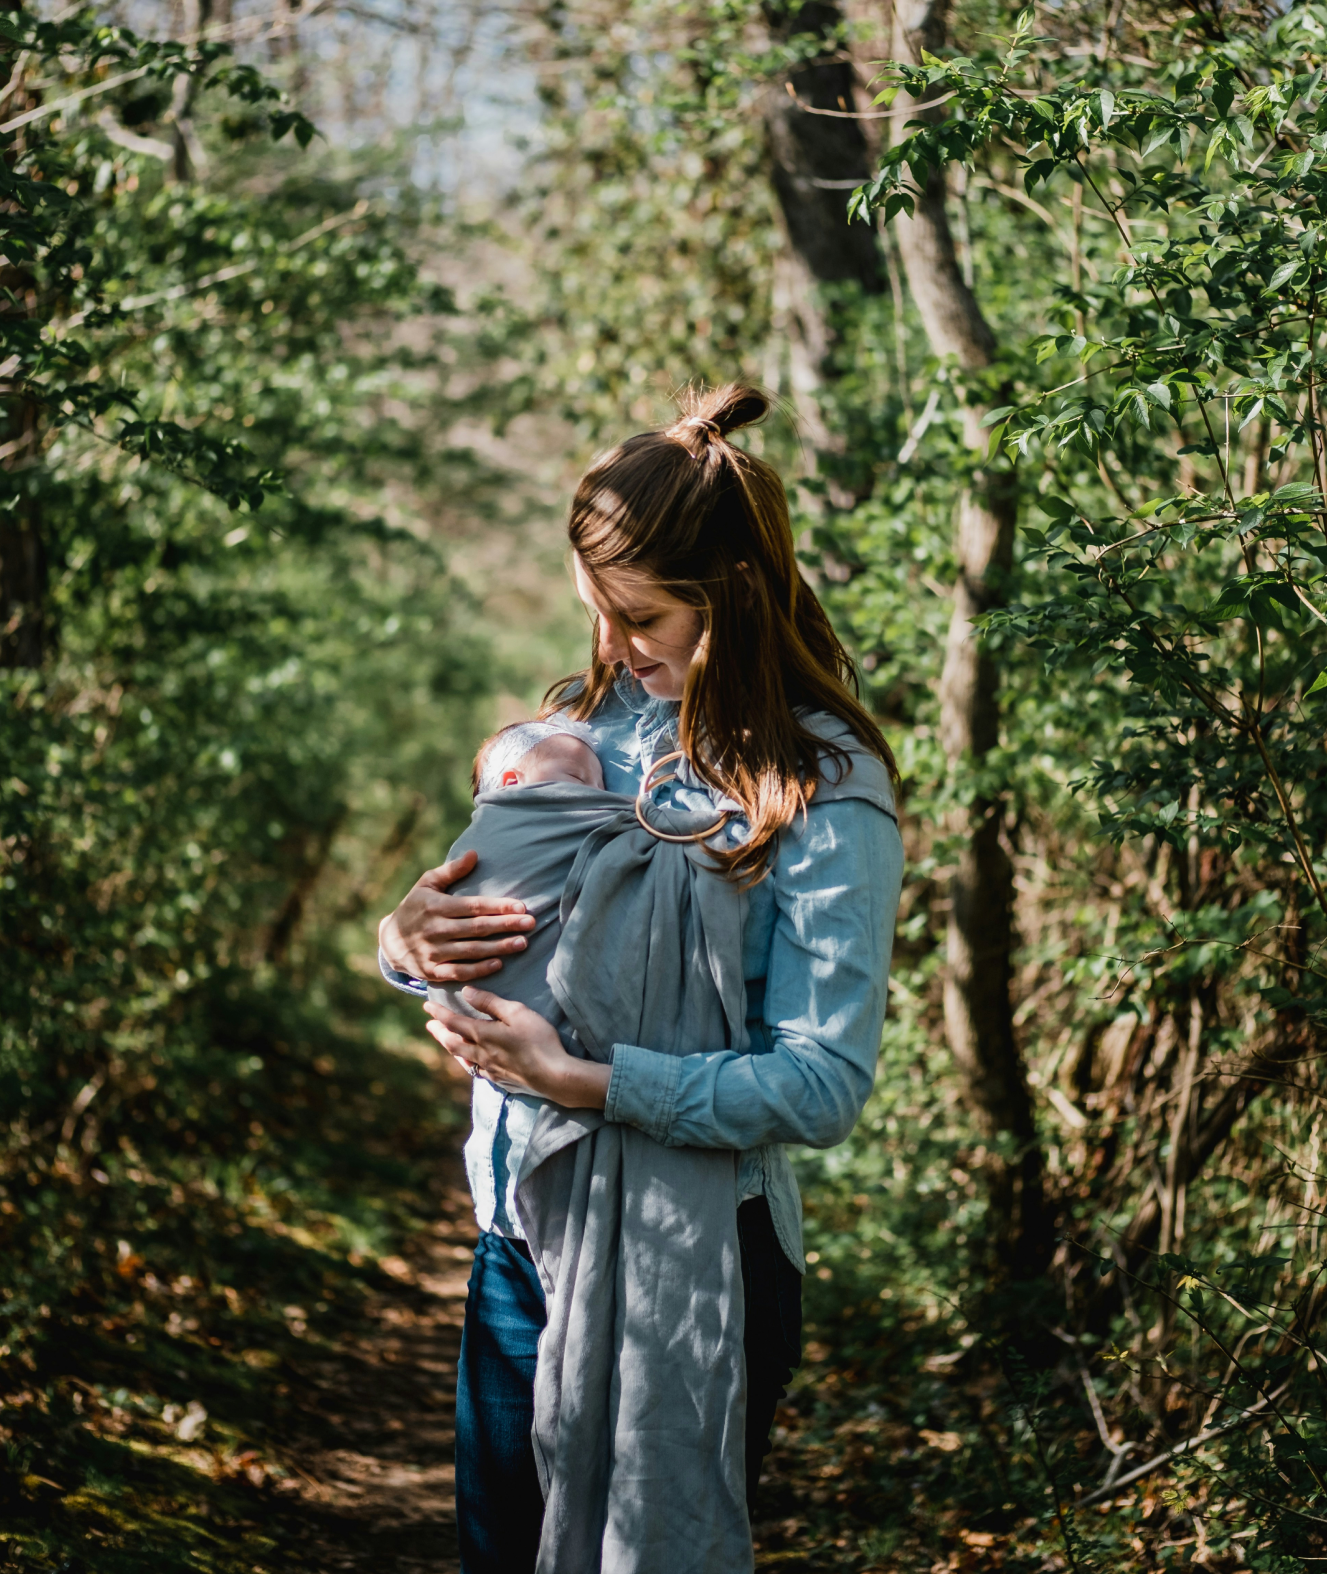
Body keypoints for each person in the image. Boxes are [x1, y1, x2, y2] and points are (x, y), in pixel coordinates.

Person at [377, 383, 905, 1574]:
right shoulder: (575, 730)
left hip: (700, 1264)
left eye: (642, 618)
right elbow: (479, 926)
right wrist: (404, 945)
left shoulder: (823, 791)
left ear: (736, 601)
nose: (611, 648)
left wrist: (588, 1079)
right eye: (595, 612)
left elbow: (820, 1081)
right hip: (518, 1239)